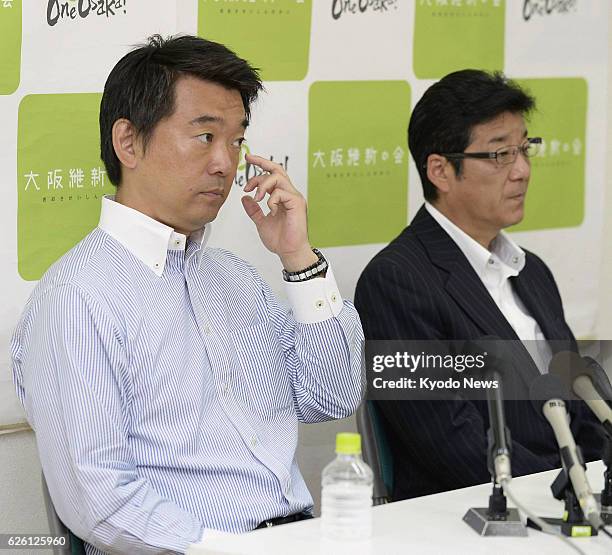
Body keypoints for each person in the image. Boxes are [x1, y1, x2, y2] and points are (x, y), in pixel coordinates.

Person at [11, 35, 363, 554]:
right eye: (204, 136)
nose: (225, 163)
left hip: (300, 534)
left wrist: (299, 259)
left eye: (237, 139)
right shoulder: (77, 298)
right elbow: (101, 504)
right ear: (128, 143)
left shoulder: (235, 279)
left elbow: (331, 396)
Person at [354, 69, 602, 501]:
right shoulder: (395, 281)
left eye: (524, 149)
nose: (522, 170)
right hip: (475, 514)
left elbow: (583, 410)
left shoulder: (532, 272)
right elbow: (452, 444)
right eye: (500, 155)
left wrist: (600, 479)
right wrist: (567, 491)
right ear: (441, 171)